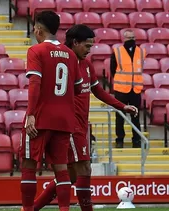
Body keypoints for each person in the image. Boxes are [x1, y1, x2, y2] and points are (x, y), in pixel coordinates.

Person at [32, 24, 139, 211]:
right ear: (75, 42)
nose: (89, 51)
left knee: (72, 175)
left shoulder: (86, 65)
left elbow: (97, 90)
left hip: (81, 126)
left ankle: (32, 208)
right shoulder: (63, 61)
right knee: (83, 170)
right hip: (69, 125)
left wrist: (122, 106)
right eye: (87, 46)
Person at [19, 11, 84, 211]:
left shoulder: (36, 51)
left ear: (38, 29)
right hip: (64, 119)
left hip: (40, 117)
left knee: (29, 166)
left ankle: (28, 209)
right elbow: (78, 88)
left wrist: (30, 114)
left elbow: (35, 84)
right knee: (62, 169)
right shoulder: (71, 54)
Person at [110, 30, 146, 148]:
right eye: (128, 38)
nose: (130, 40)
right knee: (120, 116)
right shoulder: (117, 52)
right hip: (121, 89)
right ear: (123, 39)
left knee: (135, 115)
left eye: (132, 37)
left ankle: (136, 140)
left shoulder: (141, 52)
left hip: (135, 89)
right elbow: (113, 69)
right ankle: (120, 139)